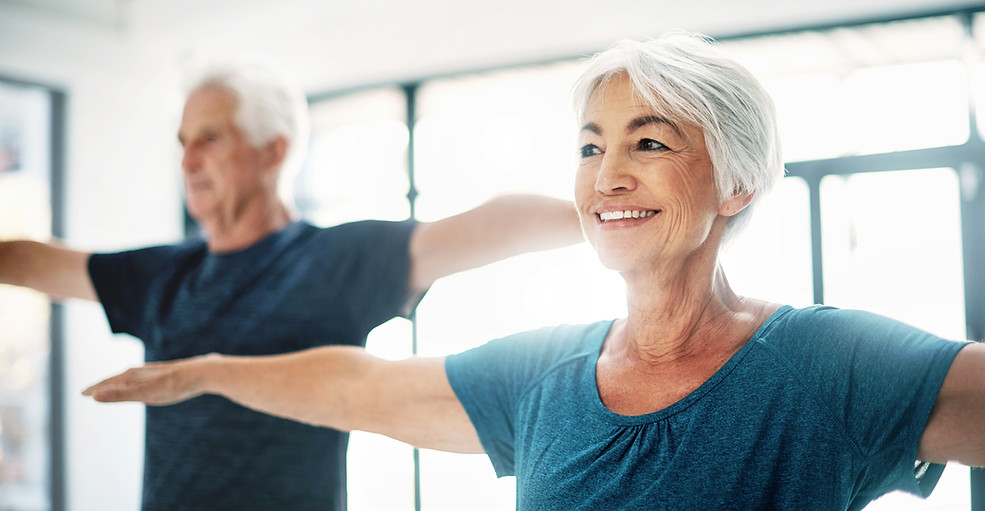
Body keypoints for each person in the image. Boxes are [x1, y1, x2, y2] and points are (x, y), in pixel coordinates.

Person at [81, 33, 984, 510]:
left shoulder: (827, 363)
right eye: (591, 146)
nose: (607, 174)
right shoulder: (549, 376)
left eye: (649, 141)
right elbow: (361, 387)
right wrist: (203, 371)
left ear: (738, 181)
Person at [0, 59, 584, 511]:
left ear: (272, 151)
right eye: (182, 143)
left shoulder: (334, 260)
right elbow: (30, 264)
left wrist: (612, 217)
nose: (188, 162)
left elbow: (486, 227)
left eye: (210, 139)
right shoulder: (162, 276)